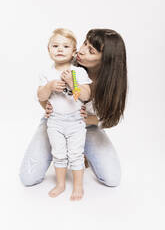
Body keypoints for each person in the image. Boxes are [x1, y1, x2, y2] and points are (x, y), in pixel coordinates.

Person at [19, 28, 127, 200]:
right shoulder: (69, 66)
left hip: (85, 125)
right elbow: (44, 95)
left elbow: (106, 114)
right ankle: (62, 173)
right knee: (28, 177)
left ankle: (80, 152)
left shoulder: (88, 77)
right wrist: (46, 105)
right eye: (85, 43)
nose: (82, 51)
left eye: (91, 50)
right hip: (55, 121)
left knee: (112, 178)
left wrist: (88, 118)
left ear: (105, 60)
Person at [37, 28, 92, 200]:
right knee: (58, 154)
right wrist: (49, 87)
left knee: (76, 155)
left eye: (66, 46)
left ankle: (78, 186)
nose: (60, 49)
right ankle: (60, 184)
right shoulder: (47, 74)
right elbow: (40, 96)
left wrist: (71, 82)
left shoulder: (79, 72)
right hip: (55, 121)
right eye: (55, 45)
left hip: (76, 121)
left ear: (74, 52)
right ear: (49, 50)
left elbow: (85, 95)